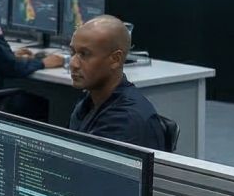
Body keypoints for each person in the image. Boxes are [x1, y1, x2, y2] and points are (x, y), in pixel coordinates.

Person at [67, 15, 167, 152]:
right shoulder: (89, 102)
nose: (73, 63)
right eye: (72, 52)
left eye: (85, 54)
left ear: (115, 59)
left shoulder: (125, 120)